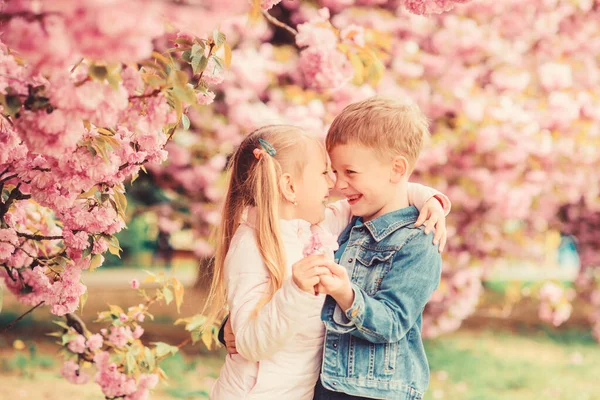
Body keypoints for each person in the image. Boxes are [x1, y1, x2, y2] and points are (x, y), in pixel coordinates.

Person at [208, 122, 449, 399]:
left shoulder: (320, 225)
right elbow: (249, 344)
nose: (333, 182)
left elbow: (381, 192)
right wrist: (295, 291)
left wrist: (428, 198)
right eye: (325, 172)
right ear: (289, 186)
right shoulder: (250, 246)